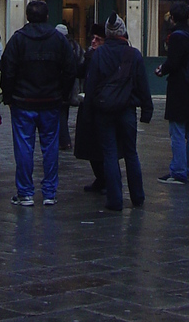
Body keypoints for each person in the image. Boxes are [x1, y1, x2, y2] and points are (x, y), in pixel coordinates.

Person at [1, 0, 77, 206]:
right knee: (50, 146)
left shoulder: (18, 40)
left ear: (27, 16)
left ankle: (25, 192)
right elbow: (71, 68)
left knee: (24, 146)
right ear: (46, 16)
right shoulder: (58, 40)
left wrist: (8, 96)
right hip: (50, 100)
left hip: (23, 100)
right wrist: (63, 93)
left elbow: (8, 69)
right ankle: (49, 192)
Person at [86, 13, 153, 211]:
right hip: (127, 109)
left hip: (104, 110)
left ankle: (115, 200)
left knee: (109, 154)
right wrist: (146, 110)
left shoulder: (99, 54)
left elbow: (91, 85)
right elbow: (143, 85)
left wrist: (89, 112)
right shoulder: (134, 54)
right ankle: (137, 196)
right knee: (131, 153)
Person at [155, 1, 189, 185]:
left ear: (173, 18)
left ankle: (178, 171)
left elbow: (173, 62)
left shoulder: (176, 37)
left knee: (176, 130)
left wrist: (161, 69)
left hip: (179, 88)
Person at [74, 22, 106, 193]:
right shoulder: (90, 56)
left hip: (100, 106)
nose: (93, 41)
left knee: (100, 146)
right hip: (89, 105)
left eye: (98, 39)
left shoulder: (104, 57)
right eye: (92, 38)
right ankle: (101, 179)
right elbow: (80, 72)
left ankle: (104, 179)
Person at [55, 23, 84, 151]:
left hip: (60, 84)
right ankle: (62, 137)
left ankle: (64, 139)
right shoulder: (75, 46)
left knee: (60, 110)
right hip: (72, 84)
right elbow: (81, 63)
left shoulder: (58, 46)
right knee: (64, 110)